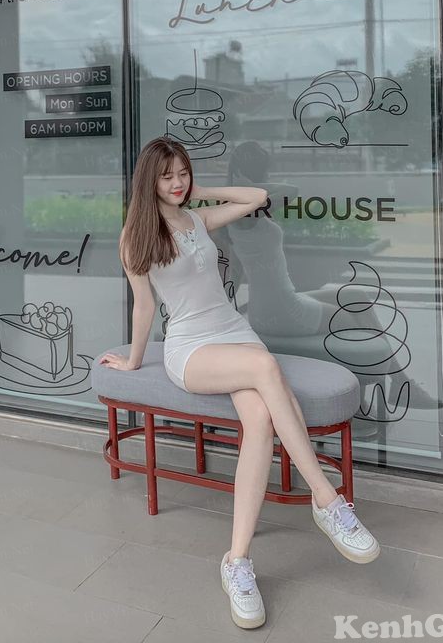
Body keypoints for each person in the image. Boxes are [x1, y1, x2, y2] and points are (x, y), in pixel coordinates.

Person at [99, 136, 379, 632]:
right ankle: (327, 500)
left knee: (260, 423)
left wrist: (199, 191)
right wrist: (133, 360)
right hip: (191, 349)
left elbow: (256, 197)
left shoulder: (198, 220)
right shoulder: (135, 237)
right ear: (148, 181)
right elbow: (144, 306)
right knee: (267, 369)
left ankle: (237, 561)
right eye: (167, 176)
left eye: (183, 173)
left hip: (234, 333)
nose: (177, 182)